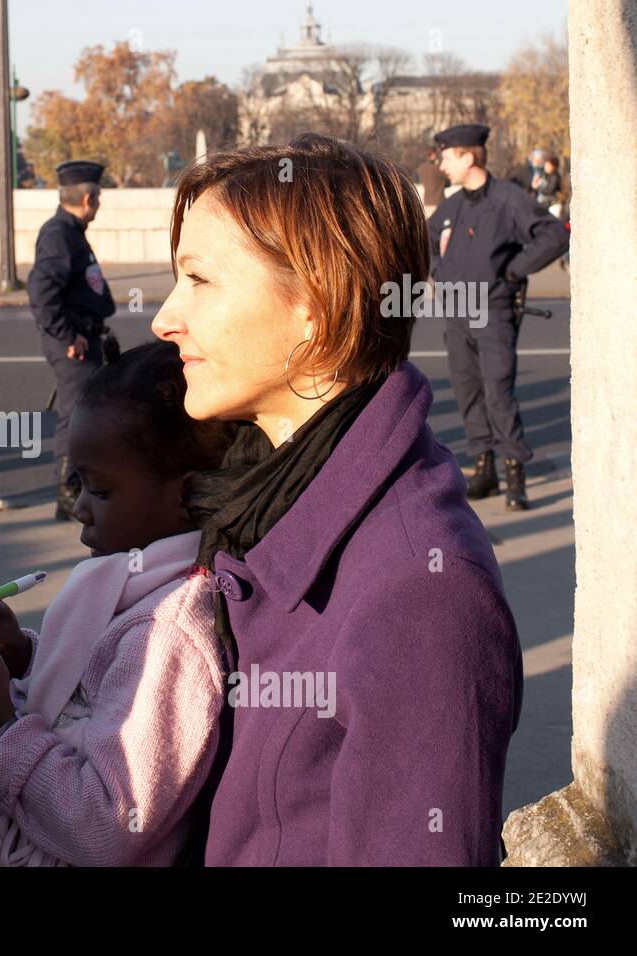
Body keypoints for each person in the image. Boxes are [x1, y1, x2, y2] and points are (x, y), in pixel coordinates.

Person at [153, 133, 523, 866]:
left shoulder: (420, 589)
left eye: (198, 280)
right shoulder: (257, 494)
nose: (165, 317)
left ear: (316, 306)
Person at [0, 341, 233, 866]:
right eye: (78, 484)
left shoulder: (169, 633)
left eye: (100, 490)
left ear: (182, 495)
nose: (81, 510)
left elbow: (106, 824)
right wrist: (21, 655)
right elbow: (99, 693)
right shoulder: (136, 587)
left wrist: (0, 719)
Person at [430, 123, 570, 510]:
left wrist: (513, 271)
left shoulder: (509, 199)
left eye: (446, 157)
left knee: (498, 393)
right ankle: (484, 467)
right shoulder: (453, 205)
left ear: (467, 156)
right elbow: (427, 243)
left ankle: (514, 473)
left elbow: (554, 235)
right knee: (468, 392)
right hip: (458, 314)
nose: (441, 165)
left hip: (493, 312)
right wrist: (439, 273)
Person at [27, 160, 117, 521]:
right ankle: (67, 492)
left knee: (85, 413)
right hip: (72, 342)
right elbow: (41, 291)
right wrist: (68, 336)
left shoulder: (71, 231)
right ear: (87, 198)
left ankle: (76, 489)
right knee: (74, 416)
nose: (98, 203)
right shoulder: (59, 234)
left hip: (84, 336)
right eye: (97, 196)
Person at [417, 146, 447, 219]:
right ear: (434, 154)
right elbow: (448, 182)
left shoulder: (421, 168)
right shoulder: (439, 168)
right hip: (439, 202)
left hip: (427, 202)